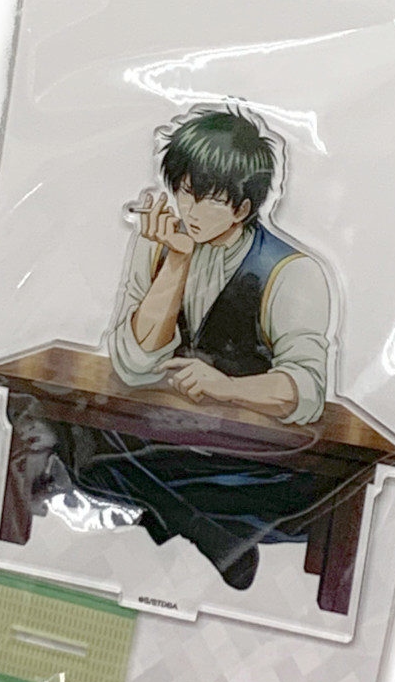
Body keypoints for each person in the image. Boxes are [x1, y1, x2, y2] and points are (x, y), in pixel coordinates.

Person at [41, 102, 333, 590]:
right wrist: (176, 262)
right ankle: (211, 530)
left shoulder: (293, 273)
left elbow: (305, 391)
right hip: (165, 439)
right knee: (74, 434)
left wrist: (228, 388)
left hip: (246, 459)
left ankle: (176, 510)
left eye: (209, 200)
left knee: (97, 471)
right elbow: (134, 366)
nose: (189, 210)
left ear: (243, 207)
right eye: (184, 191)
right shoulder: (156, 245)